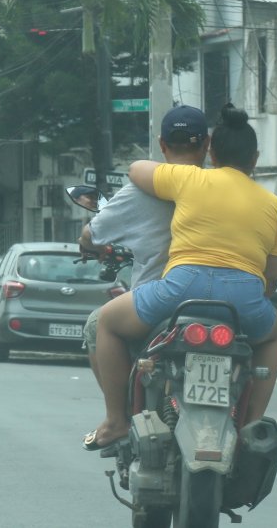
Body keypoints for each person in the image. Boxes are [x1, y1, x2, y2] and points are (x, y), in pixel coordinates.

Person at [84, 104, 277, 452]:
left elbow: (135, 170)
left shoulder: (190, 180)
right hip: (242, 299)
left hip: (181, 290)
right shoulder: (274, 205)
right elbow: (272, 278)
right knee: (274, 333)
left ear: (213, 152)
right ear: (254, 158)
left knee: (106, 321)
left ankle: (116, 421)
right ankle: (251, 425)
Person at [78, 105, 210, 386]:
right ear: (206, 145)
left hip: (158, 301)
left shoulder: (139, 189)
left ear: (162, 145)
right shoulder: (221, 185)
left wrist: (88, 242)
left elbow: (92, 234)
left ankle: (118, 418)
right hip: (221, 298)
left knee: (97, 325)